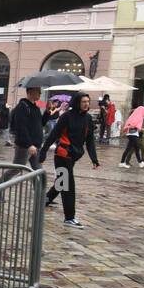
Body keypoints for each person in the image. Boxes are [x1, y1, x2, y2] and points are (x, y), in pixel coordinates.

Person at [39, 91, 99, 228]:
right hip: (62, 155)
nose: (86, 104)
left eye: (88, 102)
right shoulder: (67, 116)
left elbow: (90, 140)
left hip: (74, 156)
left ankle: (45, 200)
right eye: (83, 102)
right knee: (68, 186)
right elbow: (53, 135)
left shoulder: (88, 118)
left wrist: (94, 159)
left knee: (61, 182)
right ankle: (69, 218)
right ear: (77, 102)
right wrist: (43, 152)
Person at [0, 84, 46, 186]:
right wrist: (29, 145)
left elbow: (41, 123)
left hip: (35, 146)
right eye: (38, 90)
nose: (40, 93)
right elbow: (21, 127)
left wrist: (48, 113)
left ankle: (41, 197)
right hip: (25, 146)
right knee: (16, 169)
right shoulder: (23, 107)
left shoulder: (35, 108)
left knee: (38, 171)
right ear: (30, 92)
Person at [119, 105, 144, 169]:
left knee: (136, 149)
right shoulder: (138, 117)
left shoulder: (138, 116)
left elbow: (135, 125)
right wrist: (140, 128)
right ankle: (122, 163)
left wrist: (138, 127)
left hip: (134, 135)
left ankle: (140, 163)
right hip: (132, 135)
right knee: (129, 150)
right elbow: (133, 126)